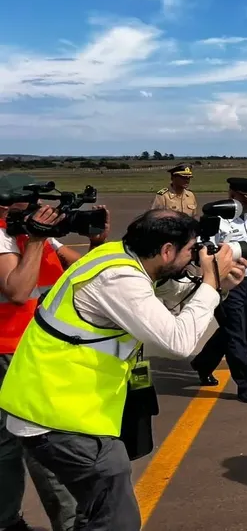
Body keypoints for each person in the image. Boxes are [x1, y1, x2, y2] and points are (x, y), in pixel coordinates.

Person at [0, 209, 244, 531]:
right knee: (118, 519)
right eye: (189, 250)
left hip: (69, 407)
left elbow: (159, 311)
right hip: (57, 416)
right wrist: (210, 284)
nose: (194, 257)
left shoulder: (118, 257)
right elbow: (178, 342)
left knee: (95, 511)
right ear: (167, 251)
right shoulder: (118, 278)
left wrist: (216, 288)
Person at [0, 173, 110, 531]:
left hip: (37, 352)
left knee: (34, 446)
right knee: (20, 447)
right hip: (7, 355)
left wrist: (97, 242)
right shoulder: (5, 237)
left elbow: (86, 273)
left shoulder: (39, 239)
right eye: (31, 206)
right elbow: (17, 290)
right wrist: (34, 240)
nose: (42, 212)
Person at [190, 177, 247, 405]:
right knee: (236, 335)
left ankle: (203, 363)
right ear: (233, 195)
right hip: (228, 284)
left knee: (230, 331)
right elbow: (204, 252)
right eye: (246, 197)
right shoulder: (218, 221)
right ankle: (246, 385)